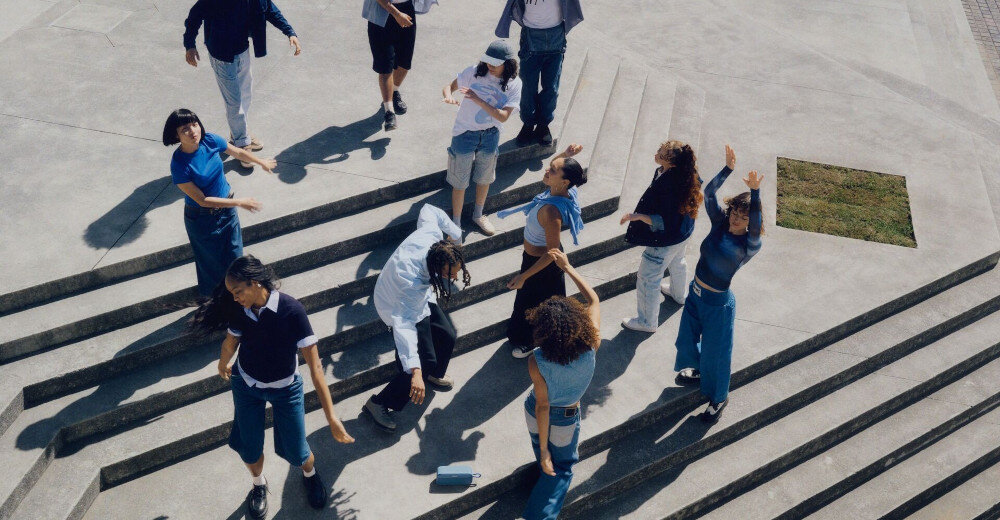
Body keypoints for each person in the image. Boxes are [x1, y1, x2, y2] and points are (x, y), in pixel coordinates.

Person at [189, 255, 354, 520]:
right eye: (231, 293)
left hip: (285, 390)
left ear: (255, 283)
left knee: (299, 450)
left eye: (238, 291)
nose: (235, 298)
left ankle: (310, 475)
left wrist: (331, 417)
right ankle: (258, 485)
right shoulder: (241, 310)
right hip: (247, 385)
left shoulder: (292, 311)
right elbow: (231, 341)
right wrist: (223, 363)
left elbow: (316, 367)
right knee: (249, 446)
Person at [673, 145, 763, 423]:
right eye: (734, 212)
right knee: (686, 338)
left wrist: (756, 193)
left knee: (717, 353)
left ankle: (719, 397)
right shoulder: (719, 224)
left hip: (718, 304)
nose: (735, 218)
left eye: (743, 216)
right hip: (696, 294)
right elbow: (707, 193)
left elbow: (757, 222)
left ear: (751, 222)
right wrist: (728, 169)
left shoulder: (749, 244)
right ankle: (697, 370)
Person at [364, 204, 471, 432]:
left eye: (455, 272)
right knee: (422, 361)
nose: (453, 278)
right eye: (449, 273)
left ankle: (432, 375)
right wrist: (416, 372)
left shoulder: (432, 236)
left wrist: (455, 233)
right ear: (436, 266)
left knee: (447, 335)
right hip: (395, 304)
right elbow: (404, 327)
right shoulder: (411, 284)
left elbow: (429, 210)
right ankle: (379, 403)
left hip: (418, 297)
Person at [163, 108, 274, 296]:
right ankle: (215, 308)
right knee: (212, 268)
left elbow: (237, 152)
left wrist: (260, 161)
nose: (193, 131)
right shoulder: (179, 164)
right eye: (185, 129)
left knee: (236, 258)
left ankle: (241, 302)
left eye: (195, 124)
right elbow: (203, 200)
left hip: (227, 211)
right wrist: (239, 202)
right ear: (176, 135)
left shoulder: (210, 140)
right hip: (202, 219)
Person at [523, 249, 600, 520]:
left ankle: (542, 468)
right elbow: (593, 299)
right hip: (566, 418)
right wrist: (568, 268)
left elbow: (543, 407)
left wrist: (543, 451)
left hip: (536, 414)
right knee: (562, 468)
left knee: (544, 457)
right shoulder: (592, 343)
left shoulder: (537, 360)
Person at [183, 0, 301, 169]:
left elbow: (270, 9)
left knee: (246, 95)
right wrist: (189, 45)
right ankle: (242, 144)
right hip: (222, 56)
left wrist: (290, 32)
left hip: (242, 50)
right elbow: (194, 17)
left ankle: (238, 134)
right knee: (235, 103)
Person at [497, 143, 585, 358]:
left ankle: (528, 342)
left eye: (552, 170)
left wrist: (524, 276)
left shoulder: (551, 211)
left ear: (564, 181)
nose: (547, 171)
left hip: (541, 265)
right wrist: (566, 155)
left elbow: (552, 252)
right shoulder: (563, 188)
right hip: (534, 259)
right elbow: (558, 169)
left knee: (533, 306)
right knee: (543, 303)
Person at [620, 140, 703, 332]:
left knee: (648, 279)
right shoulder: (687, 173)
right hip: (683, 233)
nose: (656, 154)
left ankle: (646, 322)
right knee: (677, 261)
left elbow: (664, 220)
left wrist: (638, 216)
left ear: (672, 163)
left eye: (662, 153)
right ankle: (679, 294)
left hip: (665, 240)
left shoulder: (670, 185)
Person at [442, 40, 523, 237]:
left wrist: (478, 99)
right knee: (459, 181)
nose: (490, 67)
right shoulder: (473, 72)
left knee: (484, 178)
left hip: (490, 134)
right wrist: (448, 96)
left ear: (508, 64)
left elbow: (503, 116)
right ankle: (456, 222)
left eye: (495, 64)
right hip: (464, 133)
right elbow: (449, 86)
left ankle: (478, 214)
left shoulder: (514, 84)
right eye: (488, 62)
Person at [495, 0, 584, 147]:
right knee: (528, 87)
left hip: (556, 35)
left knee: (551, 88)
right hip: (531, 36)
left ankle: (543, 125)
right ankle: (528, 124)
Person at [363, 0, 438, 131]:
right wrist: (397, 14)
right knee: (385, 68)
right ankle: (389, 112)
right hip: (382, 13)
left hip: (406, 9)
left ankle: (394, 91)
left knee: (404, 62)